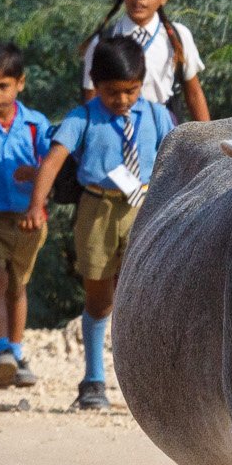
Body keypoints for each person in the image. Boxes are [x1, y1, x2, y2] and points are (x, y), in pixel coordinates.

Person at [28, 35, 175, 411]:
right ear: (95, 84)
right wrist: (35, 205)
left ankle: (151, 380)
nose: (122, 100)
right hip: (98, 211)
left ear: (142, 82)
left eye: (131, 90)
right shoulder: (84, 117)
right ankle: (93, 378)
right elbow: (54, 160)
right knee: (99, 298)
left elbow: (175, 160)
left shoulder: (158, 116)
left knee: (143, 295)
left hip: (145, 208)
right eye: (112, 92)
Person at [0, 41, 50, 389]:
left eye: (2, 85)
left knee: (18, 285)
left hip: (26, 220)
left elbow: (53, 167)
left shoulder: (35, 126)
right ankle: (1, 347)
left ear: (20, 83)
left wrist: (34, 178)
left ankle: (17, 351)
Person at [79, 0, 208, 121]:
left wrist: (210, 142)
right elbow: (91, 97)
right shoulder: (102, 41)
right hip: (115, 130)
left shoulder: (178, 37)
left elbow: (194, 95)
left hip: (164, 134)